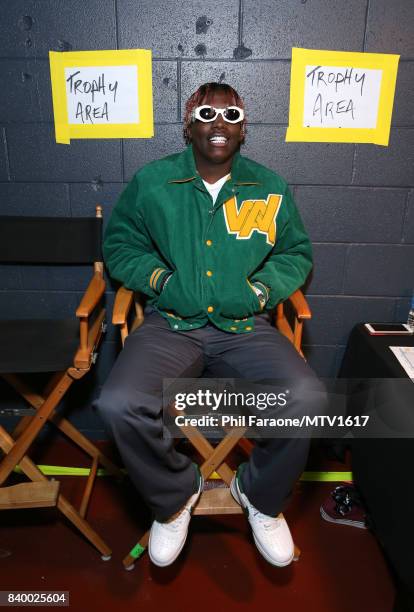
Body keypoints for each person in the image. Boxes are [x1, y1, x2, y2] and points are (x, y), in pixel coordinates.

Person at [96, 82, 325, 568]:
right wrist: (159, 278)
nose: (218, 122)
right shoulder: (153, 182)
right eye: (206, 112)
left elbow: (295, 254)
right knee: (118, 403)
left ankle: (259, 497)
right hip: (171, 324)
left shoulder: (270, 187)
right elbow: (119, 247)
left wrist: (261, 292)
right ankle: (176, 494)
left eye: (230, 115)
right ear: (188, 123)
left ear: (243, 128)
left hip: (245, 327)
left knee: (308, 397)